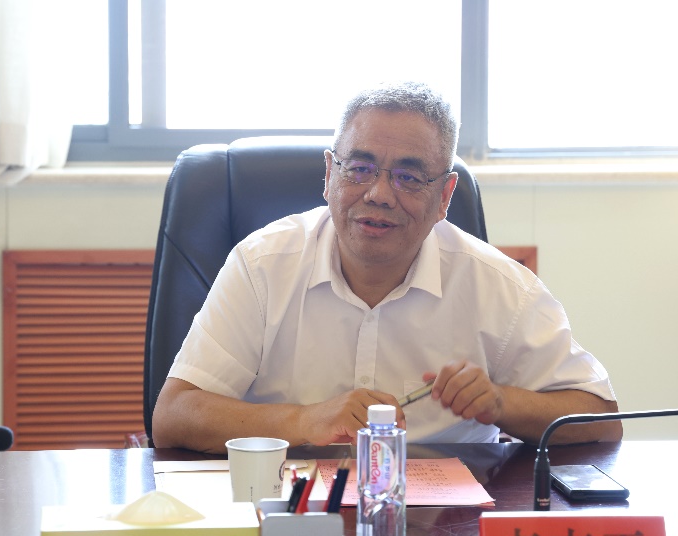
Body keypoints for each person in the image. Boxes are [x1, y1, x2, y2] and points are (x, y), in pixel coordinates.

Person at [152, 81, 621, 454]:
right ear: (329, 175)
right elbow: (174, 415)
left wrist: (502, 402)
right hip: (292, 512)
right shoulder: (262, 265)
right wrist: (303, 420)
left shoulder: (498, 287)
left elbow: (602, 420)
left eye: (408, 177)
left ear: (444, 196)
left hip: (443, 524)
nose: (378, 194)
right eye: (359, 169)